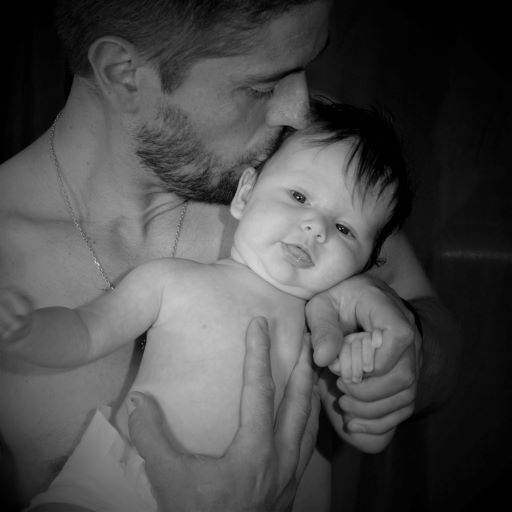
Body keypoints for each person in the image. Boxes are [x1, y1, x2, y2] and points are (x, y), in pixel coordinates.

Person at [0, 0, 461, 511]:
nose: (298, 109)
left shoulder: (318, 162)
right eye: (262, 86)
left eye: (304, 68)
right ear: (125, 74)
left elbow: (438, 339)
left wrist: (405, 353)